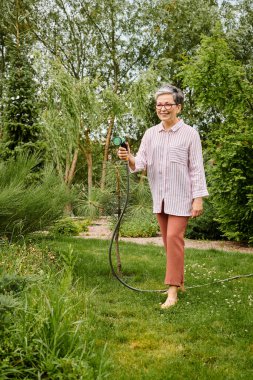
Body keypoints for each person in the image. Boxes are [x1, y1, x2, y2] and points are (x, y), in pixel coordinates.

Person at [117, 84, 209, 309]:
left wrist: (198, 198)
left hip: (182, 197)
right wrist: (128, 156)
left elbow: (196, 168)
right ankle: (179, 282)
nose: (163, 108)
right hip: (160, 197)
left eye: (168, 104)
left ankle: (172, 292)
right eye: (159, 104)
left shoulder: (190, 134)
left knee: (174, 239)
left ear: (178, 107)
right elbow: (140, 164)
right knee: (170, 244)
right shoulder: (150, 134)